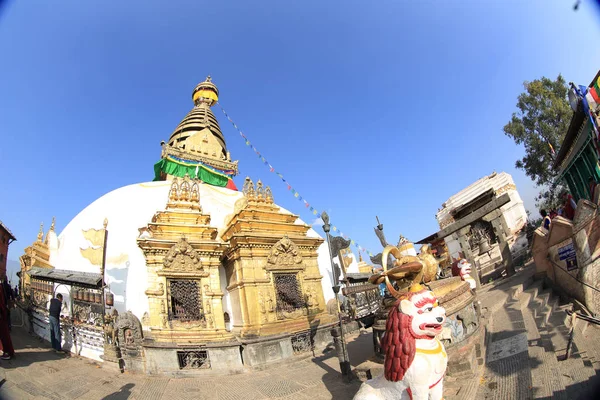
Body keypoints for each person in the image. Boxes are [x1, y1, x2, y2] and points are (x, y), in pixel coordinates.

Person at [0, 275, 15, 360]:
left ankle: (7, 352)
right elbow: (11, 295)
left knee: (4, 334)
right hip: (5, 310)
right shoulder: (6, 286)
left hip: (2, 312)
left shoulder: (1, 287)